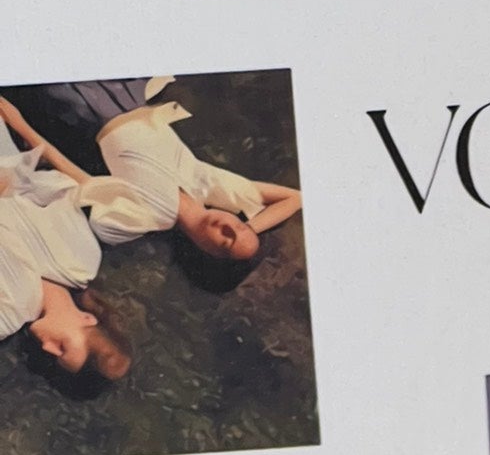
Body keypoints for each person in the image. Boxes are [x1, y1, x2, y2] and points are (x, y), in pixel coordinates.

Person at [2, 81, 301, 264]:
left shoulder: (146, 218)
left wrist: (20, 125)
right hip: (129, 93)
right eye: (237, 227)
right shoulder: (207, 185)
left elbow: (83, 181)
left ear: (207, 251)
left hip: (87, 109)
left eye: (226, 243)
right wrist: (250, 231)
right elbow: (295, 197)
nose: (228, 228)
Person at [0, 116, 133, 377]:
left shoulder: (7, 316)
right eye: (63, 347)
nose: (47, 347)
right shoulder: (82, 261)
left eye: (55, 357)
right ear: (87, 319)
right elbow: (63, 187)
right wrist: (13, 183)